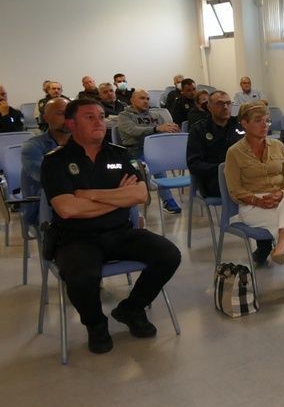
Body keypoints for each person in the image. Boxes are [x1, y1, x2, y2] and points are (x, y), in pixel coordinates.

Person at [41, 98, 181, 354]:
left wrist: (90, 195)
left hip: (120, 233)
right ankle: (96, 324)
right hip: (76, 238)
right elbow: (67, 209)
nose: (99, 122)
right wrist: (118, 199)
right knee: (81, 277)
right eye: (89, 117)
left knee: (169, 254)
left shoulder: (118, 154)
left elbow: (140, 195)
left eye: (101, 116)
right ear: (71, 124)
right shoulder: (55, 161)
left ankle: (131, 309)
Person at [224, 102, 284, 304]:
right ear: (244, 124)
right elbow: (235, 190)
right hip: (252, 205)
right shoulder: (234, 152)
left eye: (266, 121)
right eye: (258, 121)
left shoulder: (278, 146)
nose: (264, 125)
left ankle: (281, 245)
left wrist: (281, 194)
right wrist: (257, 201)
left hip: (282, 199)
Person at [187, 91, 272, 262]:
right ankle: (266, 242)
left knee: (269, 189)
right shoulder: (199, 130)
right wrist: (225, 169)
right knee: (257, 192)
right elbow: (194, 164)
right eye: (220, 103)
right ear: (209, 107)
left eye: (228, 103)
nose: (225, 107)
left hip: (246, 178)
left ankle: (269, 235)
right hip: (215, 181)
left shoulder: (240, 125)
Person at [117, 89, 182, 213]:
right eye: (142, 98)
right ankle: (151, 187)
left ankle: (163, 195)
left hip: (155, 150)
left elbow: (164, 128)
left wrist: (173, 129)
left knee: (156, 159)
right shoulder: (124, 116)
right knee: (153, 162)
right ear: (132, 100)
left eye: (147, 98)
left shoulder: (155, 115)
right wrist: (156, 129)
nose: (146, 101)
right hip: (134, 151)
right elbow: (133, 130)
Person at [21, 97, 70, 225]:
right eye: (60, 113)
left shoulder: (82, 142)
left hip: (77, 201)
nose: (67, 118)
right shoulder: (33, 147)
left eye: (70, 113)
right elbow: (47, 178)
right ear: (46, 118)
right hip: (43, 207)